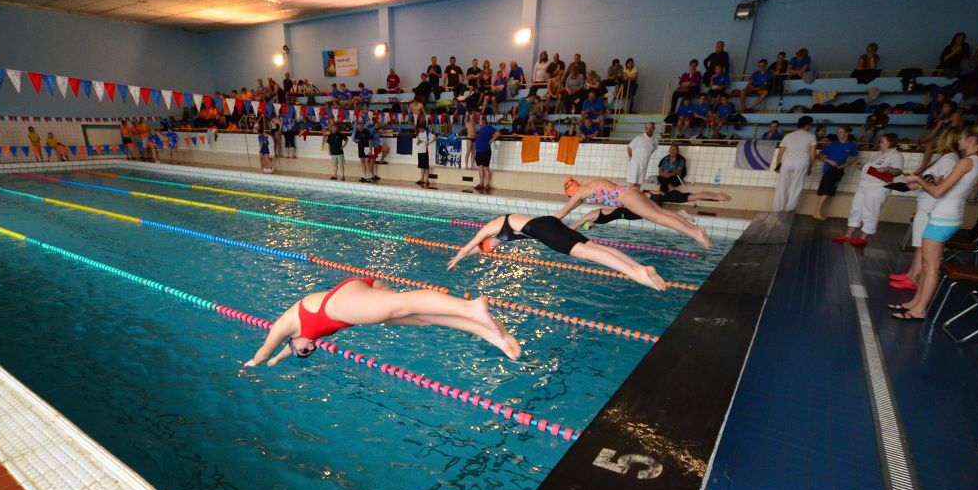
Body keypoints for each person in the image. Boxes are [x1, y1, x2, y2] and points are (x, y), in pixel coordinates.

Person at [244, 278, 520, 366]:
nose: (313, 346)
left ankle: (470, 307)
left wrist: (255, 362)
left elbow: (266, 349)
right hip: (354, 297)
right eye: (311, 351)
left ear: (293, 341)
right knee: (421, 319)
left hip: (339, 303)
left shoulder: (287, 325)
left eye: (306, 350)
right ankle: (490, 333)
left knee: (402, 304)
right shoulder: (303, 337)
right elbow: (286, 351)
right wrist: (277, 361)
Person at [890, 124, 978, 321]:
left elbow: (938, 192)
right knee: (927, 264)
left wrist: (919, 180)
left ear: (971, 139)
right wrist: (935, 181)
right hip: (949, 216)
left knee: (930, 266)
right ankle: (915, 302)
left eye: (962, 137)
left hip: (943, 217)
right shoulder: (976, 161)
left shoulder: (965, 161)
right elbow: (949, 188)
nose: (959, 140)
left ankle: (920, 309)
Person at [448, 213, 667, 291]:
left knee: (586, 253)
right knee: (593, 246)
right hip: (548, 223)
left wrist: (458, 257)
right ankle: (641, 267)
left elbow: (471, 243)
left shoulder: (490, 228)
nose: (491, 250)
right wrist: (464, 256)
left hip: (542, 229)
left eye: (487, 248)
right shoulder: (500, 236)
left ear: (487, 240)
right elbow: (476, 248)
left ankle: (635, 273)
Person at [889, 129, 961, 292]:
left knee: (923, 247)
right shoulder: (946, 158)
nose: (937, 142)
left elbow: (936, 185)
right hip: (926, 206)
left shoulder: (949, 160)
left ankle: (914, 278)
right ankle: (910, 275)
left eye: (940, 138)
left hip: (930, 207)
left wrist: (898, 184)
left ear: (947, 141)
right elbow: (928, 182)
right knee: (919, 245)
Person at [555, 177, 711, 247]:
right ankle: (695, 229)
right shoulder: (587, 187)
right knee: (660, 213)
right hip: (629, 192)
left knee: (657, 217)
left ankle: (695, 233)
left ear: (572, 192)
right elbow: (574, 207)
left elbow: (563, 211)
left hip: (625, 196)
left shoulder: (580, 192)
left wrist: (546, 223)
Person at [834, 133, 905, 245]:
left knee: (871, 212)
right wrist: (863, 167)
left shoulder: (896, 155)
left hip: (878, 187)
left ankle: (863, 237)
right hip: (864, 186)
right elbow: (873, 168)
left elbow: (898, 171)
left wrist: (887, 168)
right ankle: (848, 235)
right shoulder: (880, 153)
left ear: (889, 143)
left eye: (882, 141)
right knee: (856, 209)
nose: (879, 143)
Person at [812, 125, 860, 220]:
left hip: (839, 170)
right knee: (826, 192)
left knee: (829, 191)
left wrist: (845, 165)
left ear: (847, 133)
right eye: (838, 132)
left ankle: (819, 212)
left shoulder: (852, 145)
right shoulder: (832, 144)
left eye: (841, 132)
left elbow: (855, 157)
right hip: (829, 169)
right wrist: (830, 161)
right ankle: (817, 212)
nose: (838, 134)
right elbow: (818, 156)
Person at [771, 116, 816, 212]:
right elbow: (813, 155)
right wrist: (811, 167)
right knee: (796, 187)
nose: (811, 126)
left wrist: (777, 166)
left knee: (782, 186)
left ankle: (777, 209)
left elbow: (780, 153)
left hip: (787, 163)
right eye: (811, 124)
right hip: (802, 163)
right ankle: (789, 209)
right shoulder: (811, 136)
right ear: (807, 125)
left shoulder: (788, 136)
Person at [473, 118, 500, 192]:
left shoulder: (488, 127)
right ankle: (481, 184)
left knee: (486, 168)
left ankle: (487, 184)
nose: (479, 122)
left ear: (484, 121)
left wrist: (491, 140)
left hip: (485, 151)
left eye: (480, 121)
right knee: (480, 168)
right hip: (478, 152)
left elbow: (498, 133)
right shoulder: (481, 129)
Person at [414, 122, 433, 188]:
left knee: (426, 166)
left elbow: (435, 138)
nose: (419, 130)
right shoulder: (418, 133)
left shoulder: (427, 133)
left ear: (422, 127)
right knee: (422, 166)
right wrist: (419, 142)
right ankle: (422, 179)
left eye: (420, 129)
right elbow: (417, 143)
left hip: (425, 151)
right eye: (418, 129)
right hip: (420, 151)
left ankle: (427, 180)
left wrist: (428, 143)